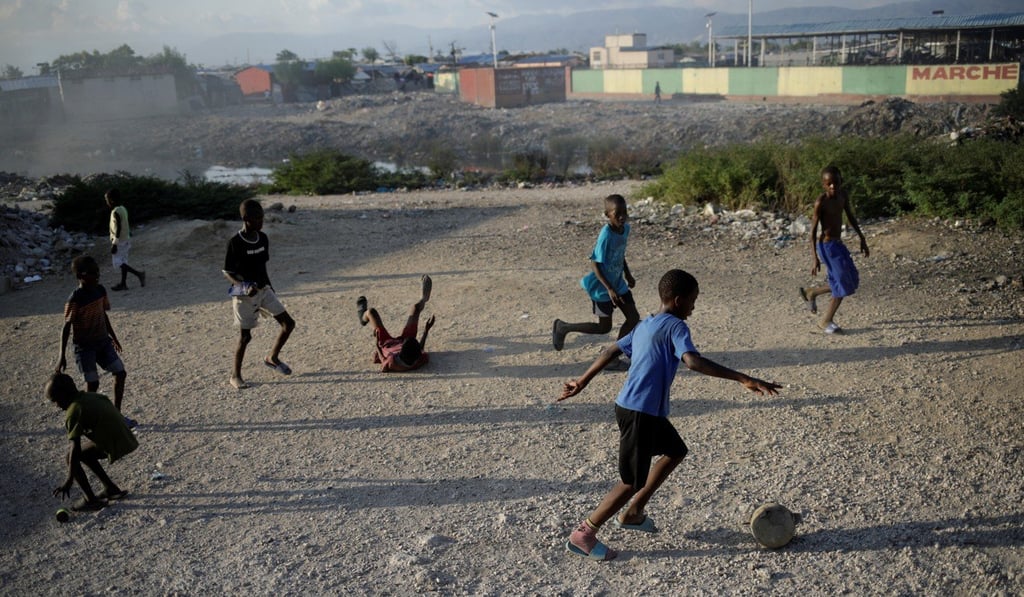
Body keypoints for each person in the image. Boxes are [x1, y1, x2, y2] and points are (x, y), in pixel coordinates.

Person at [558, 269, 782, 561]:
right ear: (678, 300)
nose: (693, 307)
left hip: (636, 408)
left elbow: (610, 350)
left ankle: (634, 513)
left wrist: (582, 381)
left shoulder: (645, 324)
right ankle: (583, 534)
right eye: (692, 300)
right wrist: (743, 378)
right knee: (630, 481)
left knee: (675, 450)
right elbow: (692, 362)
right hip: (639, 412)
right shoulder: (676, 327)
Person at [552, 194, 640, 370]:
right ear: (607, 215)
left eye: (624, 212)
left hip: (618, 283)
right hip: (602, 287)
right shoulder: (606, 235)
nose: (622, 217)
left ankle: (613, 357)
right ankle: (563, 327)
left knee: (633, 318)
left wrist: (628, 274)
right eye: (617, 214)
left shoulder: (625, 229)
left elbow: (620, 254)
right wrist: (609, 289)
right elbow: (595, 263)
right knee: (604, 327)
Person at [222, 199, 296, 389]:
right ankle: (235, 376)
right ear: (245, 219)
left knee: (288, 324)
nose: (261, 222)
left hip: (264, 289)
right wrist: (244, 285)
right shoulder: (235, 242)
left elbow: (262, 267)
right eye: (257, 219)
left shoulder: (263, 238)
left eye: (262, 218)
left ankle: (272, 358)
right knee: (245, 337)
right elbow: (227, 272)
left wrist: (270, 287)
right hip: (244, 295)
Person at [57, 255, 136, 428]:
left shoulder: (100, 290)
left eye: (97, 272)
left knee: (120, 373)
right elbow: (66, 327)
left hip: (103, 342)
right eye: (92, 273)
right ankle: (89, 420)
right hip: (84, 347)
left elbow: (103, 314)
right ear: (80, 276)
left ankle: (117, 415)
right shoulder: (75, 299)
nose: (97, 276)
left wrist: (114, 337)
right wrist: (61, 356)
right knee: (92, 384)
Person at [47, 372, 138, 512]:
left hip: (117, 443)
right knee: (85, 454)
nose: (56, 405)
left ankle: (90, 500)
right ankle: (110, 489)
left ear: (63, 395)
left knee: (71, 456)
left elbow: (75, 448)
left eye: (55, 400)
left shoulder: (73, 412)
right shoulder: (92, 396)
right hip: (126, 437)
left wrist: (69, 479)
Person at [798, 165, 870, 334]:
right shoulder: (821, 202)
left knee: (852, 280)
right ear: (823, 184)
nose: (832, 186)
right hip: (827, 247)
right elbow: (813, 232)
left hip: (838, 244)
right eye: (828, 184)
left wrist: (862, 238)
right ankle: (825, 321)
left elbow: (850, 216)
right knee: (842, 282)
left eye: (835, 183)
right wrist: (814, 258)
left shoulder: (843, 195)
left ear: (840, 181)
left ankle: (812, 292)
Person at [357, 275, 436, 372]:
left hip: (387, 343)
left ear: (400, 354)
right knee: (415, 308)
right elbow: (420, 350)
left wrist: (377, 345)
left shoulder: (393, 362)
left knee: (371, 312)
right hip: (407, 345)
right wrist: (426, 331)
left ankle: (362, 316)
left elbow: (383, 367)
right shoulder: (420, 359)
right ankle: (423, 299)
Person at [105, 188, 146, 291]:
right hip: (126, 239)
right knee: (124, 262)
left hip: (120, 241)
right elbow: (125, 224)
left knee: (117, 262)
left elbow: (118, 228)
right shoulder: (123, 209)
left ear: (112, 200)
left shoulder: (115, 212)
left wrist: (115, 243)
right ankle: (123, 284)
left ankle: (139, 274)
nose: (107, 202)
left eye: (107, 200)